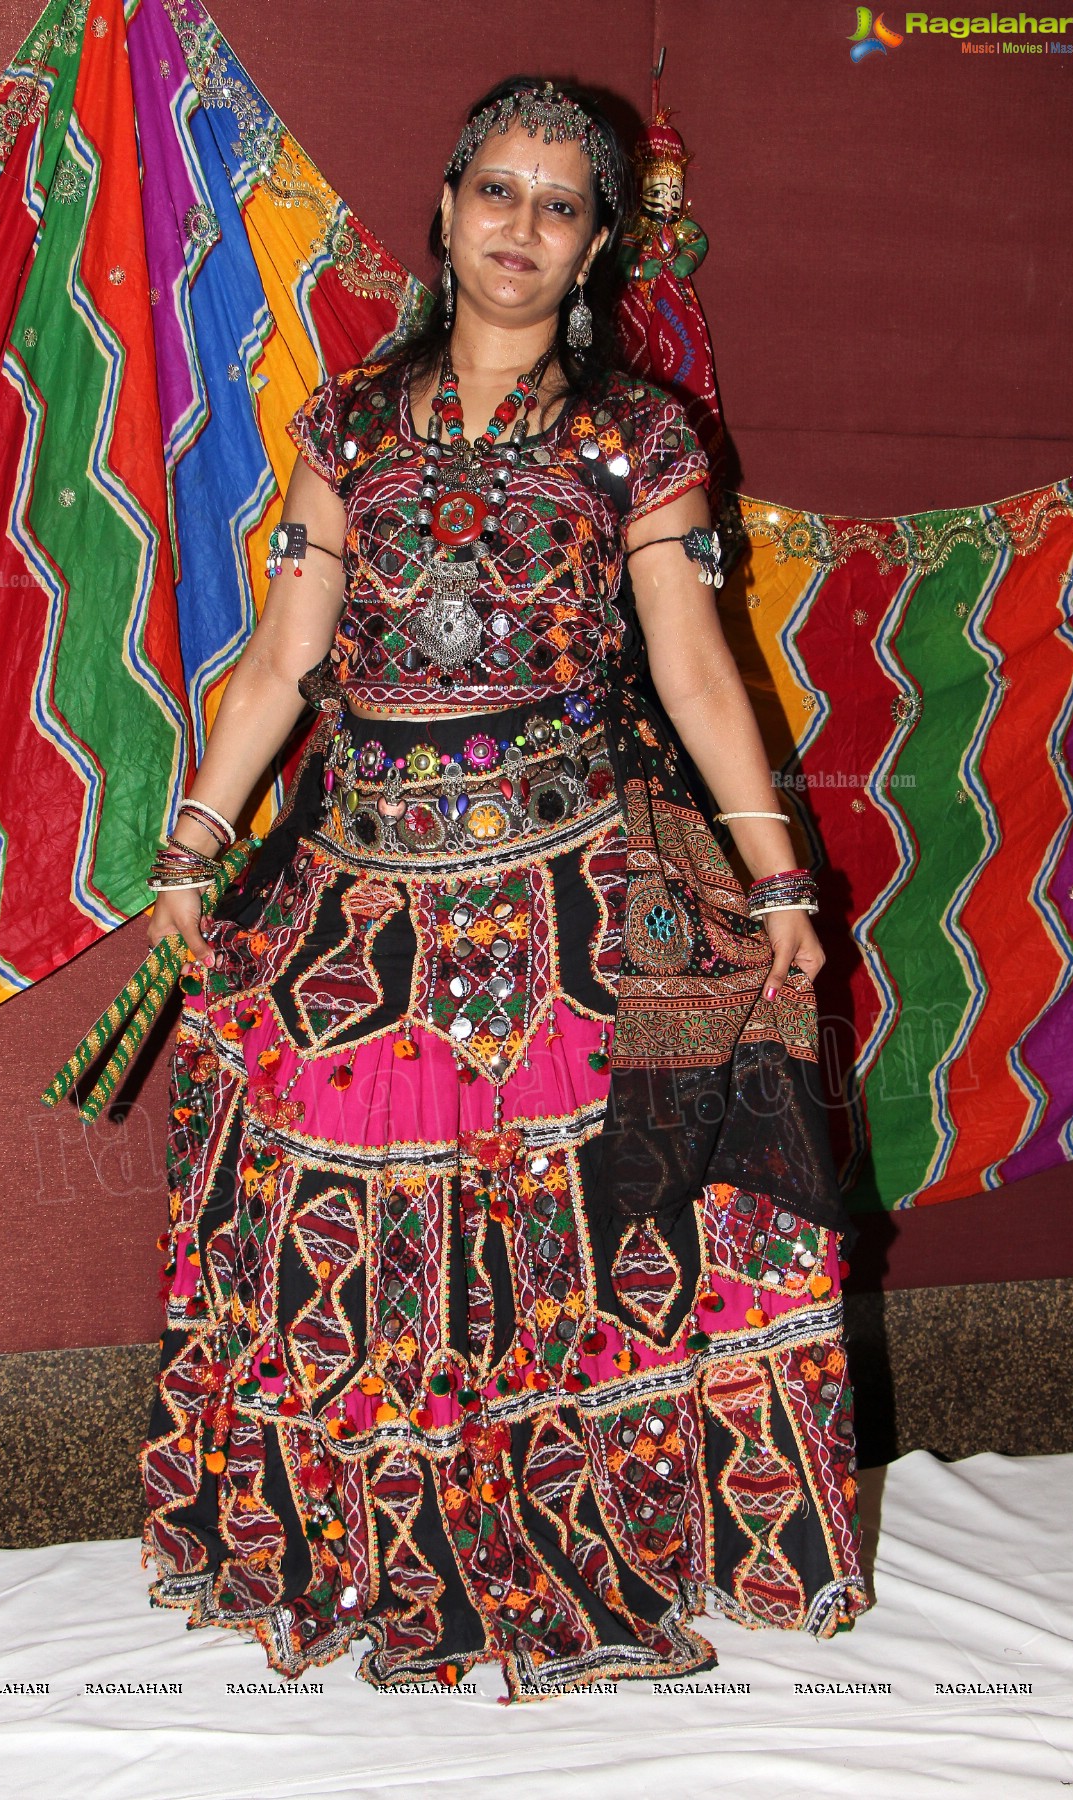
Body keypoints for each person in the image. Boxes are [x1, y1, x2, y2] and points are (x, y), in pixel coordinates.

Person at [138, 75, 872, 1701]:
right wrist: (193, 842)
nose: (520, 230)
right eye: (497, 193)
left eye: (559, 204)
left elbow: (694, 668)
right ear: (447, 208)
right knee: (338, 1218)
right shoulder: (350, 425)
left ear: (600, 241)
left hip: (568, 897)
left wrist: (775, 886)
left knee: (588, 1233)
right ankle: (367, 1555)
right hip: (366, 898)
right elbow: (282, 662)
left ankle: (606, 1533)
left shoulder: (643, 440)